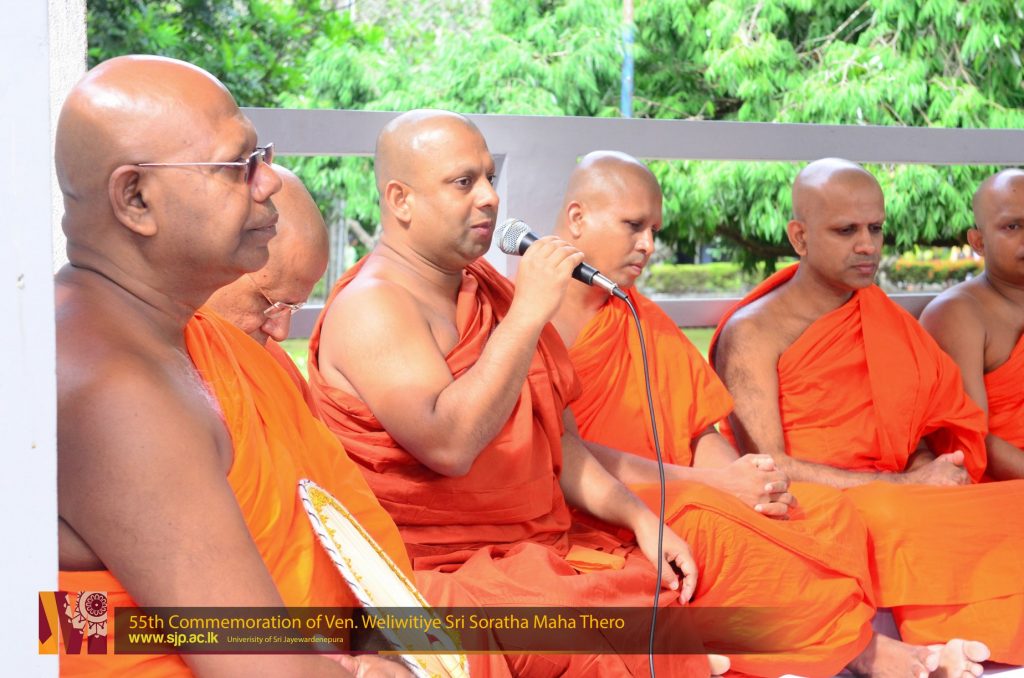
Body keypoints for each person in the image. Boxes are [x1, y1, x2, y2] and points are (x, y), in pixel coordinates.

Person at [305, 110, 898, 677]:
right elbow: (450, 446)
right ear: (400, 200)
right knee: (632, 621)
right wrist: (529, 314)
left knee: (695, 578)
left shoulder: (483, 293)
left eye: (488, 177)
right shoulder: (374, 307)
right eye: (464, 182)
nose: (489, 196)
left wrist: (639, 517)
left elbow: (558, 446)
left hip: (534, 548)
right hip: (442, 569)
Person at [551, 150, 987, 677]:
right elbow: (562, 451)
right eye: (633, 226)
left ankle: (853, 650)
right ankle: (871, 655)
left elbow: (696, 429)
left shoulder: (635, 314)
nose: (648, 245)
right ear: (577, 218)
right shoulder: (528, 314)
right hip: (600, 501)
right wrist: (717, 486)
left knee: (823, 514)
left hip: (680, 485)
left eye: (654, 230)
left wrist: (745, 478)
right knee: (718, 531)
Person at [55, 55, 411, 677]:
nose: (268, 182)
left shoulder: (180, 337)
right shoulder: (115, 393)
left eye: (261, 157)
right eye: (237, 165)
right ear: (136, 198)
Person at [711, 157, 1024, 668]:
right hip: (818, 503)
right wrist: (907, 484)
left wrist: (930, 470)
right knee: (893, 516)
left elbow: (916, 430)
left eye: (875, 229)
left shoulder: (885, 320)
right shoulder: (753, 333)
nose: (867, 245)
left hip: (898, 491)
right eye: (846, 231)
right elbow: (767, 467)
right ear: (799, 237)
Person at [920, 168, 1024, 480]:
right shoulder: (957, 314)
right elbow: (970, 438)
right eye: (1013, 226)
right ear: (978, 241)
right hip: (1002, 485)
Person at [207, 164, 328, 413]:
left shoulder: (274, 368)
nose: (281, 333)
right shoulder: (143, 374)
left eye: (292, 308)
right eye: (268, 303)